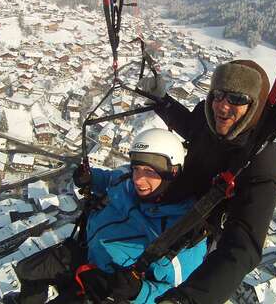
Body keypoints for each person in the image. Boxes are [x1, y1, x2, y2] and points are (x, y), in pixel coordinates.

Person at [138, 60, 276, 304]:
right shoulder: (209, 120)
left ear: (254, 107)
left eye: (236, 98)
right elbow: (190, 126)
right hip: (171, 203)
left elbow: (242, 247)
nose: (222, 106)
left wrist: (189, 299)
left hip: (191, 236)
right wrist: (162, 101)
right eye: (218, 95)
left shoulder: (261, 163)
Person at [14, 128, 207, 304]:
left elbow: (181, 295)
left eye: (149, 171)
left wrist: (140, 292)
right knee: (27, 271)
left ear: (172, 172)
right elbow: (109, 179)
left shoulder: (184, 232)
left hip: (107, 286)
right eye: (136, 169)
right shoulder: (127, 181)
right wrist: (91, 178)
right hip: (87, 252)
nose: (139, 180)